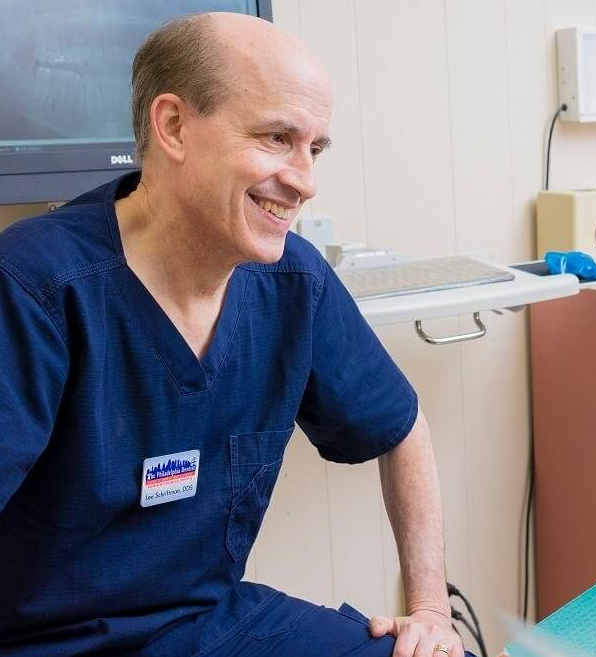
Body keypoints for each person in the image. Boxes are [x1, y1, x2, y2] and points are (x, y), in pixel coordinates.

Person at [0, 13, 466, 657]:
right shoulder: (37, 287)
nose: (305, 180)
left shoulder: (293, 285)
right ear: (173, 126)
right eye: (277, 138)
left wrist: (429, 612)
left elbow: (402, 429)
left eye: (315, 148)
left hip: (209, 626)